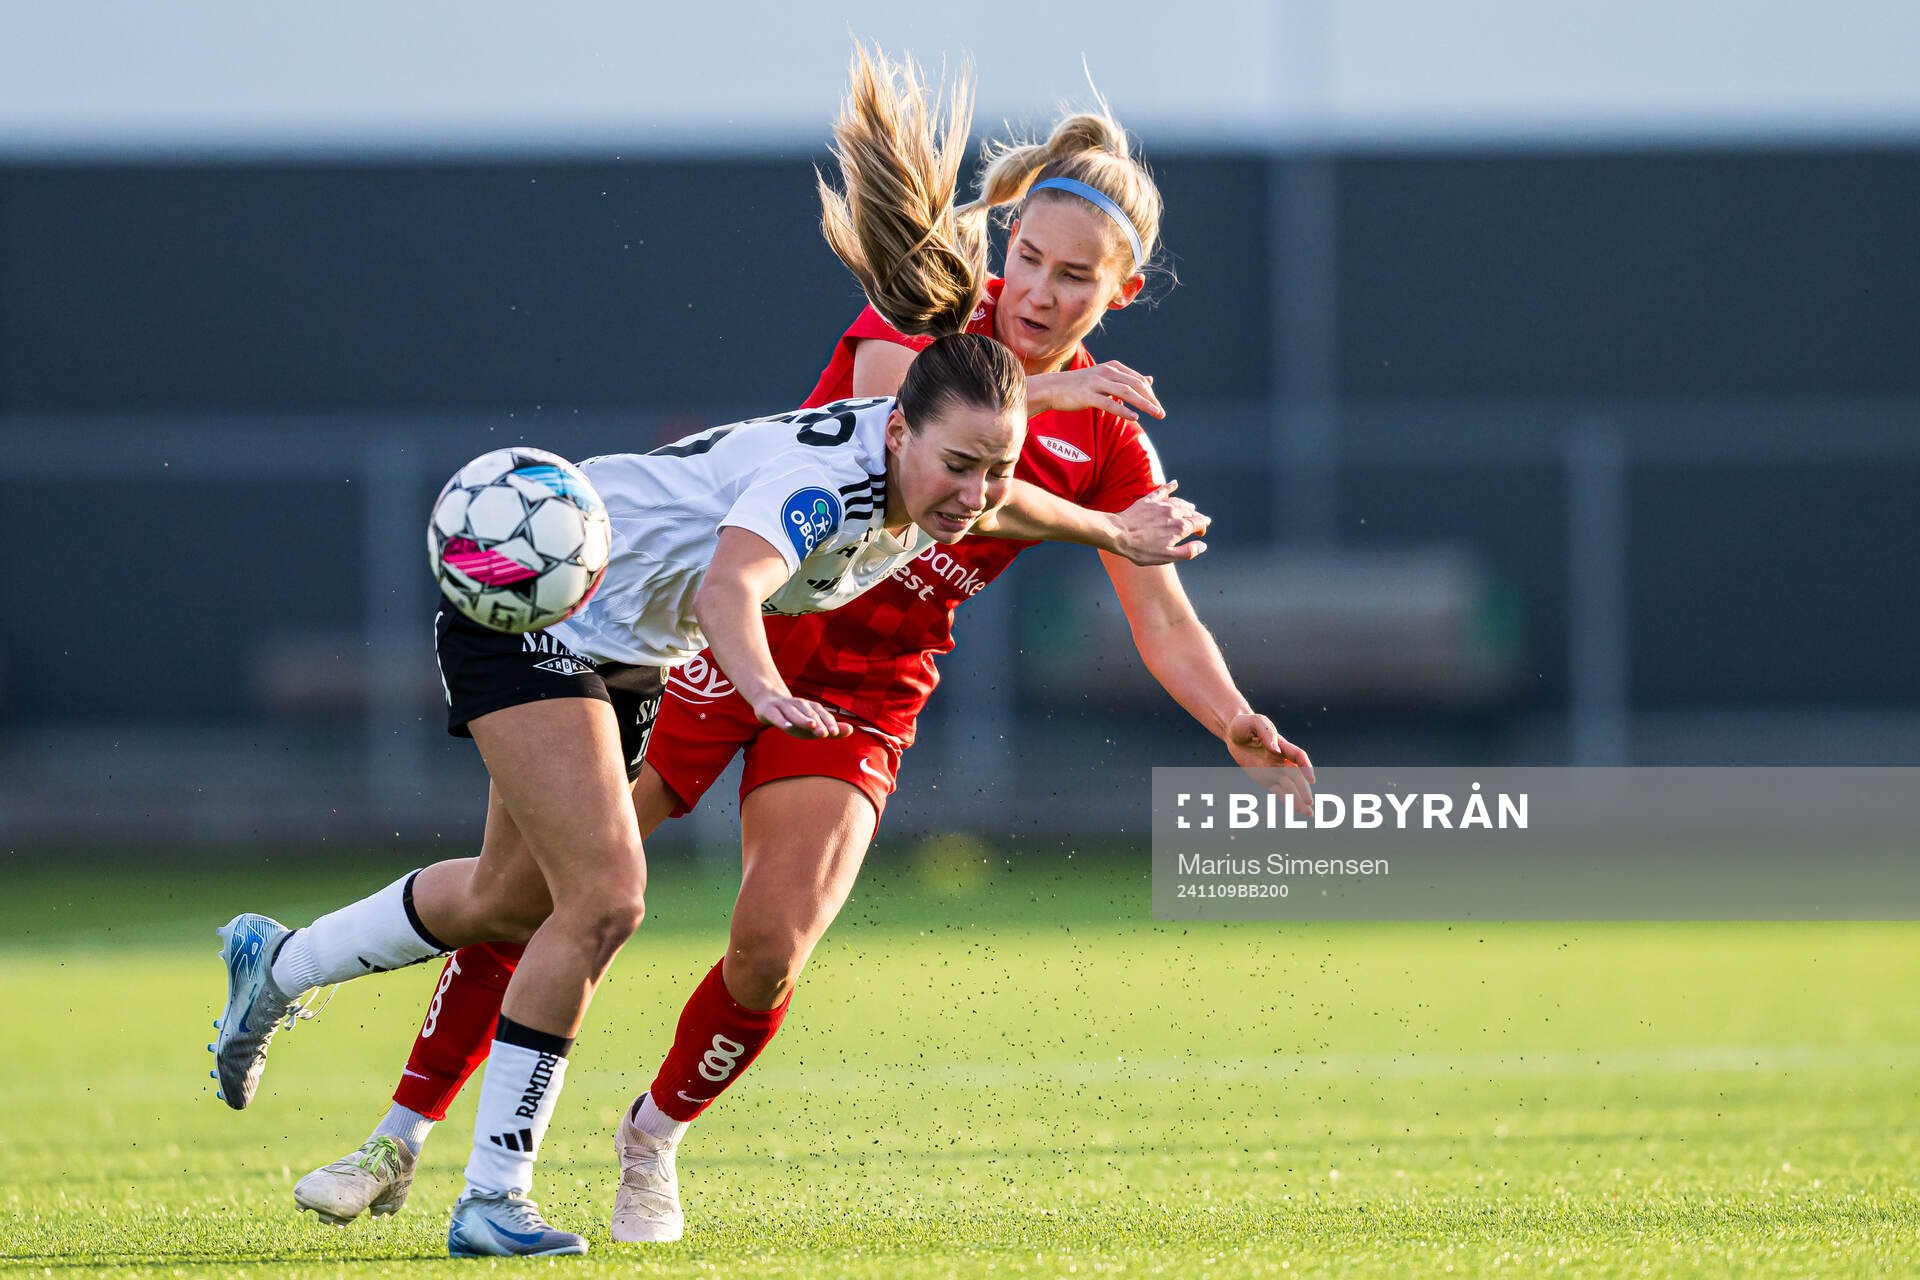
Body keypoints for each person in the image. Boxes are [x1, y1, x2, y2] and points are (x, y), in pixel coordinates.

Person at [285, 45, 1314, 1245]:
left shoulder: (1110, 442)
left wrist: (1233, 718)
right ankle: (396, 1137)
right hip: (735, 637)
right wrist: (1057, 398)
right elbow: (897, 407)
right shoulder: (933, 316)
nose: (1036, 290)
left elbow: (1159, 610)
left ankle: (653, 1132)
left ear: (1118, 294)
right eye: (1025, 256)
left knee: (769, 950)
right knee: (546, 888)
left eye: (1074, 278)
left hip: (869, 690)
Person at [207, 321, 1205, 1257]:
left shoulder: (935, 468)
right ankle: (493, 1196)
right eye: (960, 465)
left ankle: (281, 963)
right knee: (606, 897)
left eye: (996, 465)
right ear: (899, 431)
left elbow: (1012, 499)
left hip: (624, 646)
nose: (977, 492)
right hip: (539, 611)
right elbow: (733, 585)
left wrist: (1113, 530)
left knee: (509, 898)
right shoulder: (822, 491)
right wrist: (766, 689)